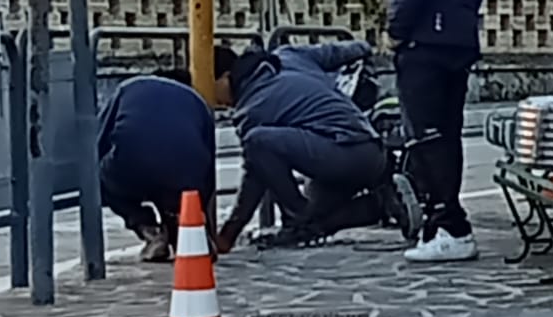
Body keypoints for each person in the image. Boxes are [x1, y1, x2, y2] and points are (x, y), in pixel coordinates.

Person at [384, 0, 488, 263]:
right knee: (448, 131)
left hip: (426, 34)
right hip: (460, 33)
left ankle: (449, 224)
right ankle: (446, 222)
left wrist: (396, 26)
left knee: (426, 134)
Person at [213, 41, 410, 252]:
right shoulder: (288, 56)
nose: (212, 99)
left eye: (208, 86)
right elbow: (336, 52)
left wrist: (228, 234)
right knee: (317, 221)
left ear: (225, 77)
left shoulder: (251, 110)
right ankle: (382, 204)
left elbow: (255, 174)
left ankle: (295, 221)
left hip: (345, 154)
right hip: (371, 150)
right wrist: (363, 48)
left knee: (257, 141)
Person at [96, 68, 215, 262]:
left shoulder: (128, 88)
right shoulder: (196, 101)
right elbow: (208, 163)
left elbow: (101, 139)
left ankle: (149, 231)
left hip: (131, 163)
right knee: (174, 182)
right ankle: (189, 231)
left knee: (102, 179)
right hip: (185, 175)